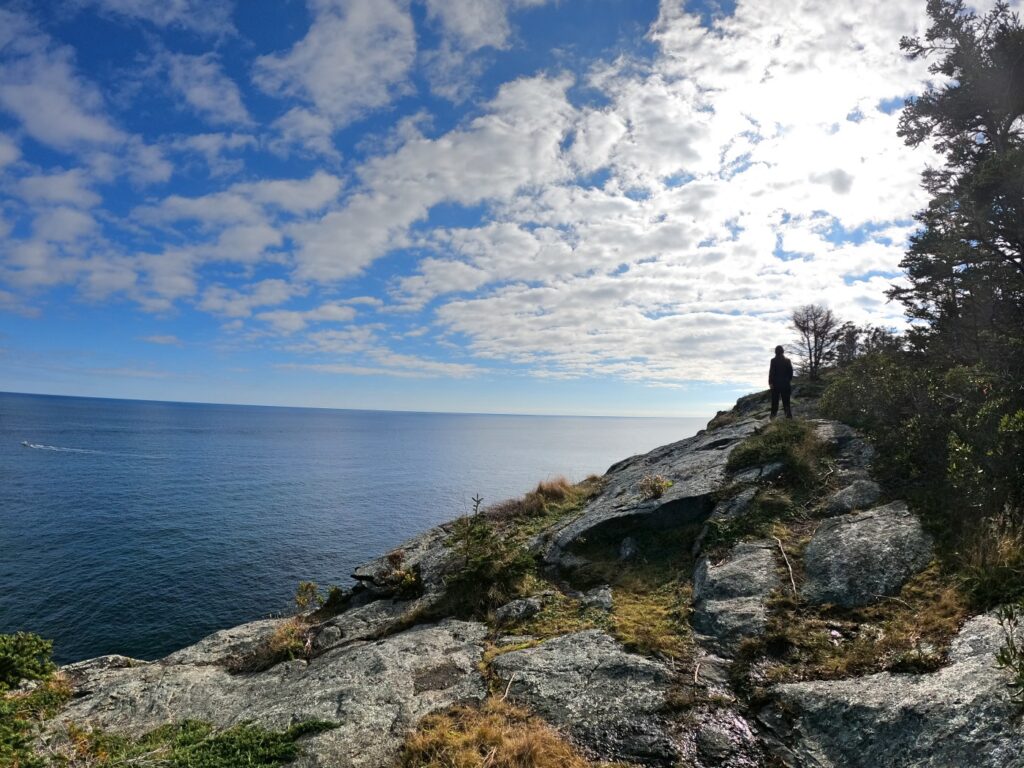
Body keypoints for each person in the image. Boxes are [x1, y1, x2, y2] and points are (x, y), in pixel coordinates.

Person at [768, 345, 793, 419]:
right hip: (786, 385)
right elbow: (791, 373)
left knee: (774, 403)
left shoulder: (773, 361)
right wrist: (788, 380)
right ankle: (789, 419)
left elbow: (771, 373)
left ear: (775, 352)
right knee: (786, 403)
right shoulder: (787, 360)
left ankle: (772, 419)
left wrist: (770, 383)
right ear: (783, 351)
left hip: (775, 385)